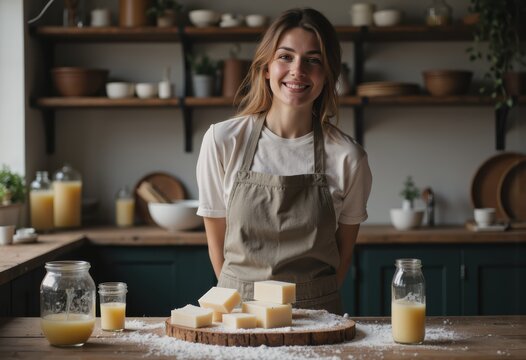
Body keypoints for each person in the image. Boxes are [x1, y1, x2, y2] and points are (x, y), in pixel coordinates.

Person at [196, 8, 372, 314]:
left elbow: (344, 256)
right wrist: (241, 305)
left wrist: (313, 301)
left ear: (327, 74)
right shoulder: (222, 141)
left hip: (318, 314)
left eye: (313, 60)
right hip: (239, 314)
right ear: (266, 68)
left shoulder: (349, 158)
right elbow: (217, 245)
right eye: (285, 57)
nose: (298, 70)